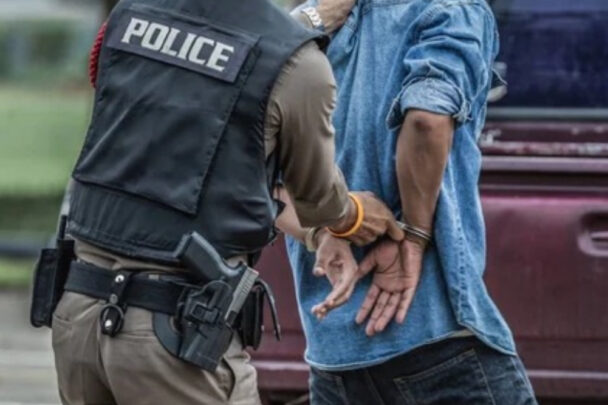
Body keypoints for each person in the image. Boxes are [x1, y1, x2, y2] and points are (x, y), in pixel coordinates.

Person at [49, 0, 400, 404]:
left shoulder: (129, 16)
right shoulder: (299, 65)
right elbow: (318, 200)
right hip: (173, 337)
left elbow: (194, 71)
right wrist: (359, 214)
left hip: (78, 315)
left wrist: (306, 23)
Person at [280, 0, 539, 403]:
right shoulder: (451, 9)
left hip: (334, 355)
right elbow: (426, 120)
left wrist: (324, 230)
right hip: (433, 333)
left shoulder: (308, 23)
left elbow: (253, 173)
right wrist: (414, 234)